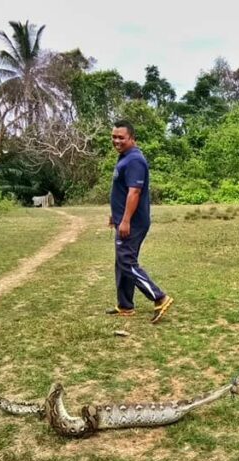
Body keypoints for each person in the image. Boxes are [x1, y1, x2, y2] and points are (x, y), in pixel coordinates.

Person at [105, 120, 173, 324]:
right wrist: (115, 215)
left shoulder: (134, 160)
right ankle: (125, 305)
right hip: (124, 219)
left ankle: (159, 297)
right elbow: (123, 191)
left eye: (121, 137)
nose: (116, 140)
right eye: (114, 137)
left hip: (133, 222)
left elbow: (135, 192)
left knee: (127, 260)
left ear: (132, 138)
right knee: (122, 261)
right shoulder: (125, 157)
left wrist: (125, 220)